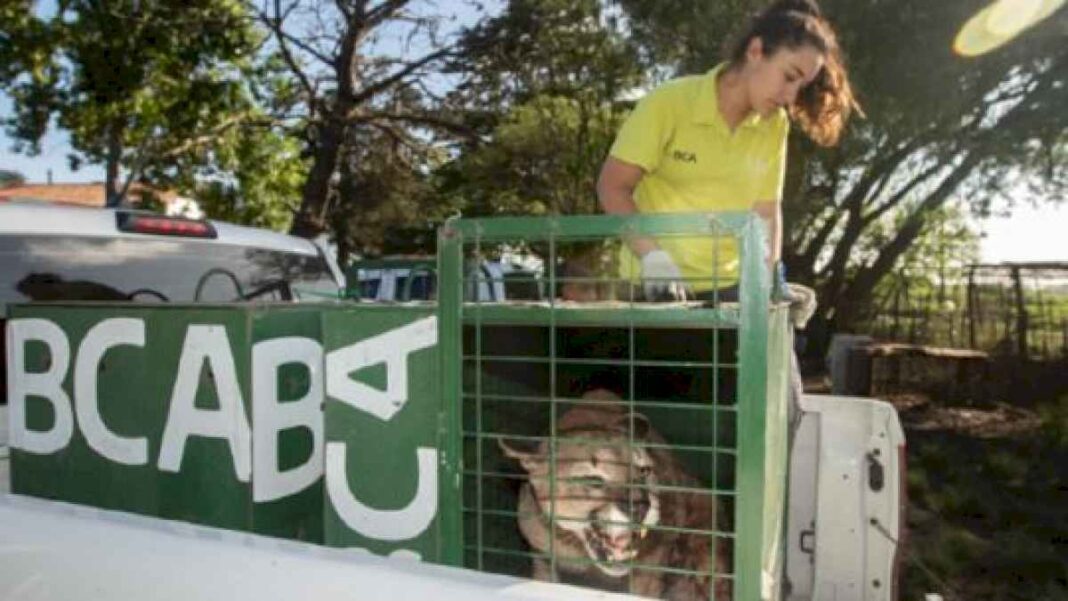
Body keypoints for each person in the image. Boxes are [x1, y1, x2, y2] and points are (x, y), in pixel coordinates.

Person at [596, 0, 860, 303]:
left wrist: (771, 279)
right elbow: (613, 187)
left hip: (730, 293)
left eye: (800, 86)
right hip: (649, 290)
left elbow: (766, 213)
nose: (790, 96)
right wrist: (654, 259)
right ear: (756, 51)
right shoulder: (668, 103)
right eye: (789, 76)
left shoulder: (775, 126)